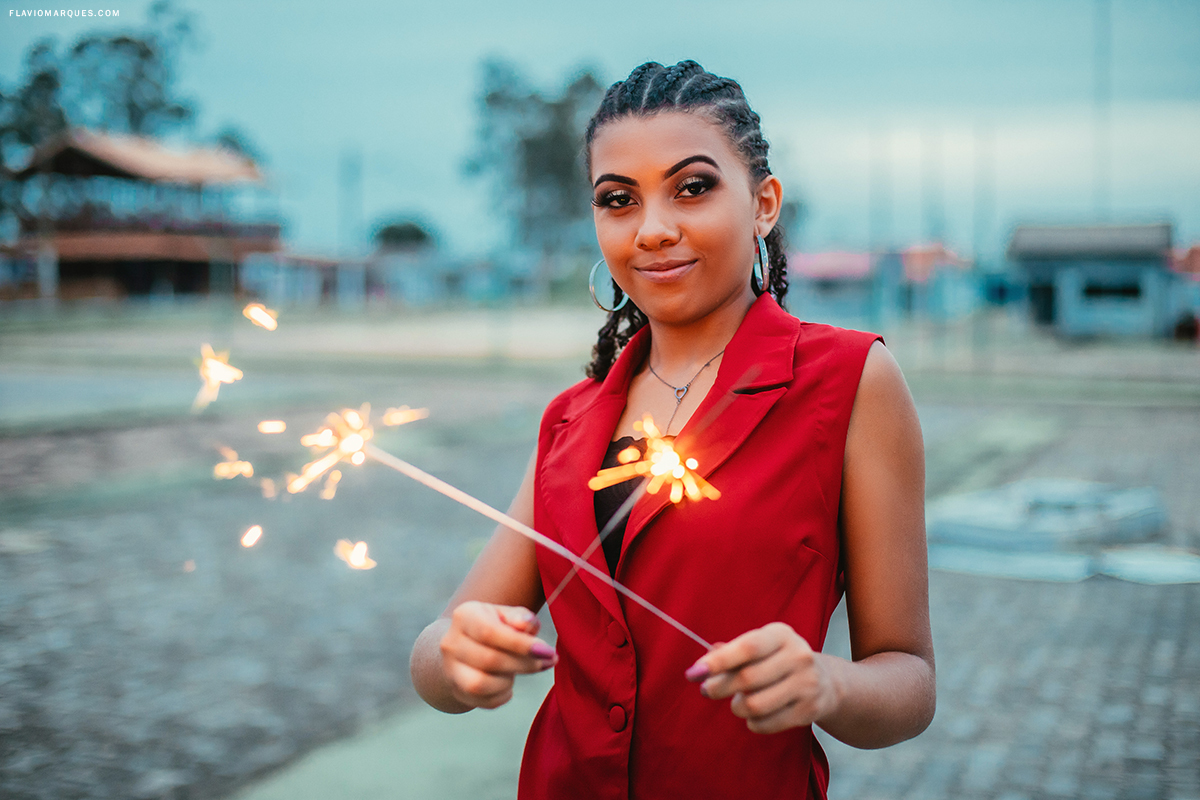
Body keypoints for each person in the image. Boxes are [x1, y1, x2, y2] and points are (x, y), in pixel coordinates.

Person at [410, 60, 934, 799]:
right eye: (618, 200)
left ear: (764, 203)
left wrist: (827, 684)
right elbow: (439, 653)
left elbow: (908, 680)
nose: (653, 230)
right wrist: (455, 656)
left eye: (693, 188)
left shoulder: (849, 382)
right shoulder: (570, 418)